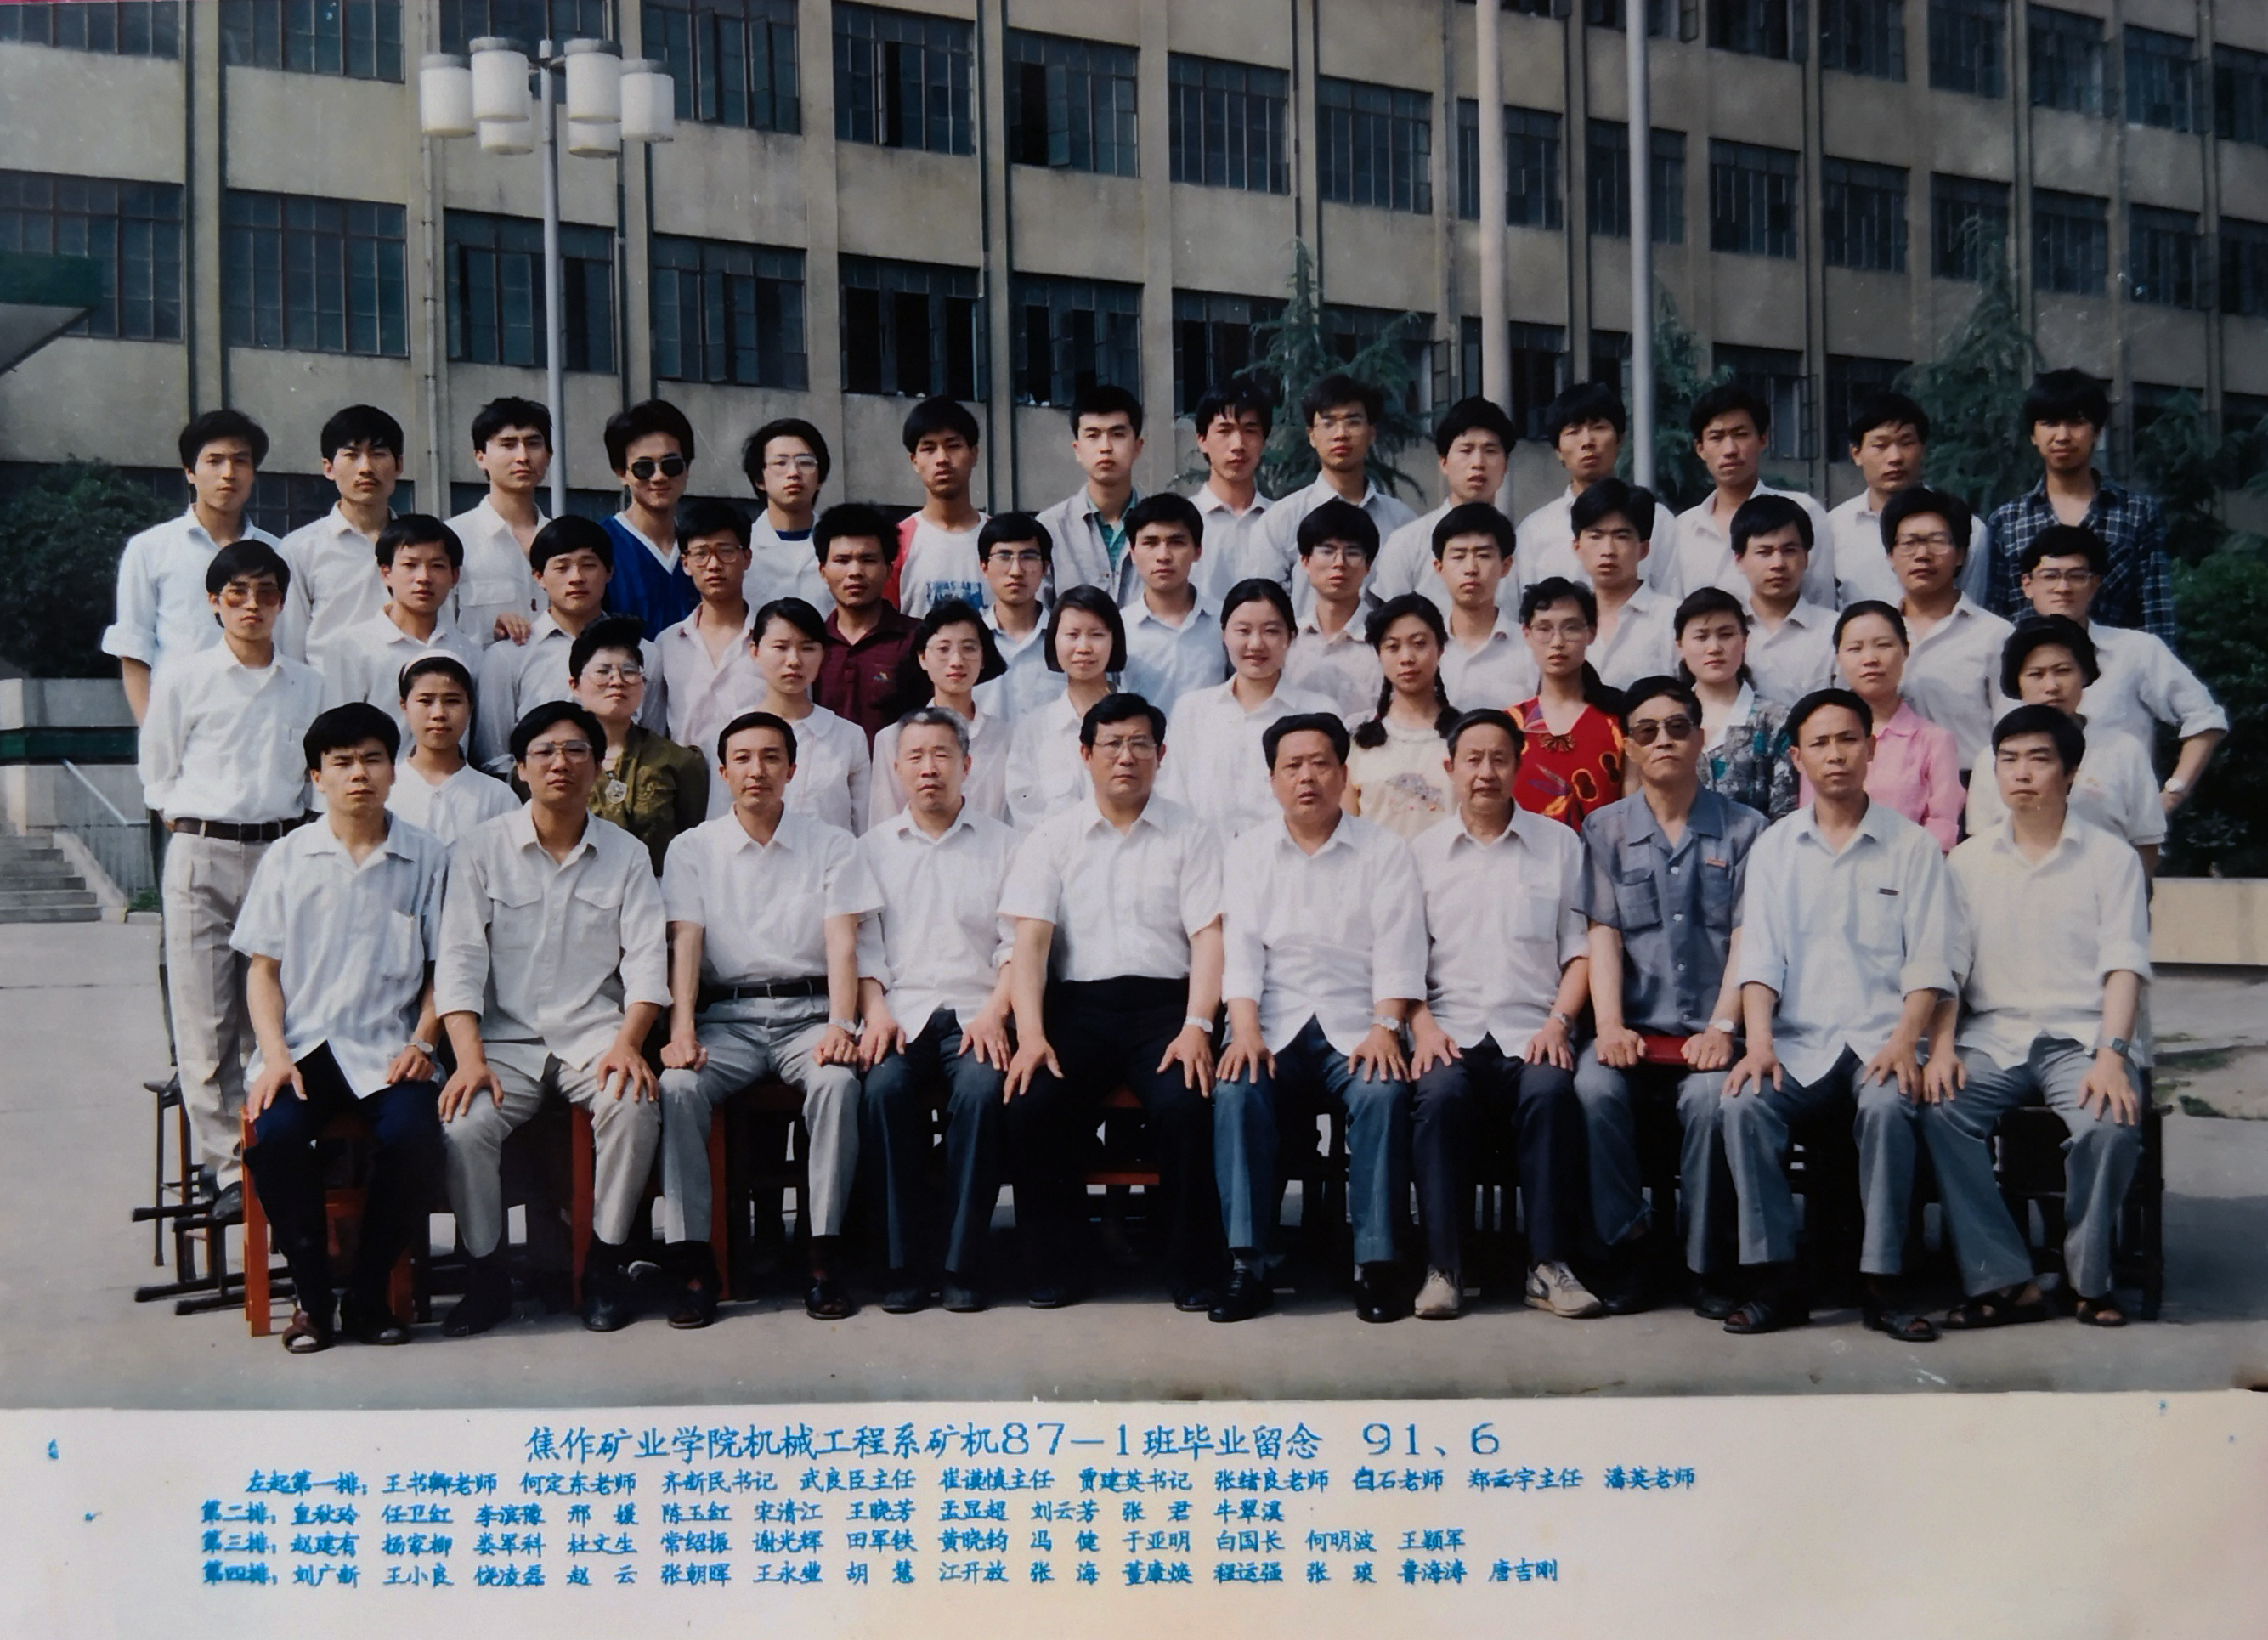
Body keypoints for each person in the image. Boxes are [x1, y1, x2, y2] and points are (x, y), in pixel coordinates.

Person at [1719, 688, 1956, 1342]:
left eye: (1847, 740)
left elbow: (1929, 961)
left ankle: (1884, 1284)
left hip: (1881, 1040)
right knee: (1743, 1104)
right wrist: (1758, 1042)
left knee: (1886, 1106)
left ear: (1870, 749)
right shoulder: (1774, 847)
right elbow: (1759, 957)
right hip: (1798, 1042)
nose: (1835, 755)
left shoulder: (1910, 847)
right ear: (1796, 759)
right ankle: (1774, 1279)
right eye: (1819, 744)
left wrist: (1905, 1041)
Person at [433, 700, 669, 1337]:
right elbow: (458, 961)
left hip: (595, 1038)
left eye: (575, 751)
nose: (559, 763)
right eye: (544, 752)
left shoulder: (626, 855)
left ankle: (605, 1265)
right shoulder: (480, 851)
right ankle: (486, 1276)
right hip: (503, 1043)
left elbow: (648, 962)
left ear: (598, 765)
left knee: (633, 1104)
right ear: (520, 768)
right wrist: (469, 1060)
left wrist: (629, 1043)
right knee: (463, 1127)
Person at [1921, 704, 2151, 1330]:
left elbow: (2124, 967)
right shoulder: (1967, 862)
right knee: (1939, 1111)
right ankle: (2003, 1278)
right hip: (1994, 1037)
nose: (2021, 773)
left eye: (2039, 759)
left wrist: (2112, 1056)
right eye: (2008, 759)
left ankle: (2088, 1280)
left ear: (2070, 772)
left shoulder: (2110, 859)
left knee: (2108, 1125)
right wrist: (1941, 1048)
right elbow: (1950, 970)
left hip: (2082, 1037)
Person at [1000, 693, 1229, 1311]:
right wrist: (1031, 1035)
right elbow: (1031, 943)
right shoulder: (1053, 837)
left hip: (1166, 1011)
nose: (1125, 757)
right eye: (1111, 745)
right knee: (1032, 1102)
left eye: (1139, 744)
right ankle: (1059, 1267)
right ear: (1085, 754)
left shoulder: (1191, 834)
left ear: (1161, 753)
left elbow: (1208, 937)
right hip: (1080, 1010)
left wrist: (1198, 1026)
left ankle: (1193, 1270)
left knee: (1186, 1104)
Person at [235, 703, 447, 1352]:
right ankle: (311, 1299)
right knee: (275, 1137)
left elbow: (445, 970)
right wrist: (275, 1055)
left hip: (390, 1048)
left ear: (393, 770)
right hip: (304, 1046)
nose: (359, 774)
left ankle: (367, 1296)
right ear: (316, 777)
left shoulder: (427, 857)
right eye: (343, 763)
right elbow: (262, 971)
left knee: (415, 1137)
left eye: (373, 760)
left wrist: (423, 1039)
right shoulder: (288, 858)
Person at [657, 710, 878, 1326]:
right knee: (677, 1086)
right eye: (744, 759)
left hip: (809, 1015)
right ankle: (693, 1263)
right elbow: (686, 942)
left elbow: (842, 941)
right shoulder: (692, 849)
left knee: (836, 1083)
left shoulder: (831, 844)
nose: (757, 771)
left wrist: (842, 1025)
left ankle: (822, 1256)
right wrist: (681, 1031)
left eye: (771, 757)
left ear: (792, 769)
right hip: (728, 1019)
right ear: (723, 771)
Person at [1214, 714, 1426, 1324]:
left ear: (1342, 772)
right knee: (1235, 1089)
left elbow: (1399, 947)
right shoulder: (1248, 852)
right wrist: (1244, 1029)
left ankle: (1375, 1263)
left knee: (1382, 1091)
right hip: (1272, 1021)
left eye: (1319, 763)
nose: (1306, 777)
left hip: (1356, 1022)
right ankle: (1248, 1263)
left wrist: (1386, 1028)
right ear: (1272, 780)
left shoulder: (1384, 850)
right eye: (1292, 766)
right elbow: (1241, 951)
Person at [139, 539, 325, 1222]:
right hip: (203, 851)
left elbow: (314, 779)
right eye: (237, 594)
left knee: (273, 1015)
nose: (252, 606)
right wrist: (191, 827)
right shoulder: (184, 677)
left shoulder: (308, 684)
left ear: (282, 602)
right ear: (214, 602)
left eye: (266, 593)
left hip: (280, 852)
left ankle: (277, 1148)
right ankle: (227, 1169)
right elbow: (158, 771)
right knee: (206, 1019)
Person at [1575, 678, 1765, 1317]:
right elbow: (1603, 932)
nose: (1663, 741)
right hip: (1632, 1026)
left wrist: (1722, 1027)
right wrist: (1608, 1025)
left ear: (1700, 738)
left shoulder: (1745, 830)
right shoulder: (1603, 829)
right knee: (1593, 1090)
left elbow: (1747, 939)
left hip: (1712, 1030)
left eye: (1678, 728)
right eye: (1647, 731)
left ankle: (1703, 1262)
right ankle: (1629, 1246)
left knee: (1712, 1102)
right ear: (1628, 746)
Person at [1406, 710, 1601, 1322]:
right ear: (1450, 768)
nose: (1485, 772)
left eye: (1498, 759)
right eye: (1472, 759)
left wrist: (1559, 1022)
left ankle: (1547, 1267)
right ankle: (1444, 1269)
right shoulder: (1420, 853)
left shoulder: (1559, 846)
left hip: (1533, 1027)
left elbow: (1580, 952)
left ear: (1519, 766)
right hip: (1449, 1028)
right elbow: (1402, 959)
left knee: (1550, 1093)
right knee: (1438, 1097)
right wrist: (1423, 1028)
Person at [856, 708, 1020, 1314]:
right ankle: (901, 1263)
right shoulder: (870, 849)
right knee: (882, 1091)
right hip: (899, 1011)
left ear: (966, 764)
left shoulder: (1006, 845)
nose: (929, 768)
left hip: (978, 1010)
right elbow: (863, 946)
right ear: (897, 769)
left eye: (942, 754)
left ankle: (960, 1263)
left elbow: (1017, 944)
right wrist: (874, 1012)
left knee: (980, 1093)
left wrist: (997, 1012)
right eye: (916, 757)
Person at [2016, 523, 2226, 812]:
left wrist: (2172, 793)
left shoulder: (2136, 650)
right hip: (2027, 824)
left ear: (2094, 585)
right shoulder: (2002, 653)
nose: (2063, 588)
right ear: (2027, 584)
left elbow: (2205, 717)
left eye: (2076, 576)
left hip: (2124, 821)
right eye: (2050, 575)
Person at [105, 408, 278, 724]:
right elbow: (134, 651)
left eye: (240, 461)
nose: (228, 473)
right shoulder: (149, 549)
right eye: (215, 461)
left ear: (253, 472)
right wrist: (153, 734)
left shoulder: (278, 552)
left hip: (262, 721)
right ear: (190, 472)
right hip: (182, 722)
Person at [1982, 369, 2175, 648]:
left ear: (2097, 431)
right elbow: (1995, 617)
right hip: (2033, 667)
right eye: (2049, 423)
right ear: (2033, 435)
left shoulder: (2137, 513)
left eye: (2076, 422)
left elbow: (2157, 615)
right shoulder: (2007, 520)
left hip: (2114, 665)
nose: (2062, 436)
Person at [1964, 617, 2165, 872]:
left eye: (2063, 671)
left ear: (2084, 675)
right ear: (2018, 682)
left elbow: (2146, 843)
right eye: (2036, 674)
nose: (2051, 686)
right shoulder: (1992, 758)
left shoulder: (2124, 751)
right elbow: (1980, 845)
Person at [472, 515, 659, 776]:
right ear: (539, 577)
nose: (576, 578)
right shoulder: (508, 656)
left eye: (588, 565)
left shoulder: (646, 654)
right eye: (562, 567)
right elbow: (493, 757)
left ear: (610, 571)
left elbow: (654, 744)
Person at [1161, 579, 1338, 839]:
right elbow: (1173, 795)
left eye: (1271, 631)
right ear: (1224, 634)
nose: (1255, 644)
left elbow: (1331, 801)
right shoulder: (1192, 711)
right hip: (1206, 858)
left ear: (1291, 636)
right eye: (1243, 631)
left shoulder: (1318, 712)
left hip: (1288, 857)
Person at [1254, 374, 1419, 610]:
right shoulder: (1281, 520)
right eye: (1328, 423)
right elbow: (1264, 607)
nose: (1341, 433)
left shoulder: (1402, 522)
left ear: (1371, 433)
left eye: (1353, 422)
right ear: (1312, 436)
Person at [1881, 486, 2015, 769]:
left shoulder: (1995, 636)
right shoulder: (1873, 633)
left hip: (1970, 782)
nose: (1922, 554)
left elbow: (2012, 731)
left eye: (1937, 541)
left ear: (1961, 555)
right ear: (1890, 556)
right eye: (1909, 542)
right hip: (1887, 784)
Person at [1663, 385, 1833, 607]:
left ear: (1762, 439)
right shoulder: (1683, 528)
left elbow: (1821, 599)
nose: (1730, 450)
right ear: (1700, 448)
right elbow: (1675, 608)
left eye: (1741, 435)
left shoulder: (1803, 510)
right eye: (1716, 437)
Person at [569, 615, 710, 875]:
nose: (617, 681)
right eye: (603, 671)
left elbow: (692, 847)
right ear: (575, 685)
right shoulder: (555, 760)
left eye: (629, 671)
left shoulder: (678, 761)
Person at [319, 515, 480, 737]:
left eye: (437, 566)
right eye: (410, 565)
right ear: (386, 573)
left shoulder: (468, 652)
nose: (423, 577)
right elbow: (339, 734)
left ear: (454, 576)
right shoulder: (351, 648)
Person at [1824, 602, 1965, 851]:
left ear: (1906, 650)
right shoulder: (1821, 738)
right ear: (1838, 658)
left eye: (1883, 645)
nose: (1870, 659)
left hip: (1909, 866)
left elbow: (1943, 826)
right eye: (1855, 648)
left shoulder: (1934, 740)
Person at [276, 404, 404, 667]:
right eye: (351, 455)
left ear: (399, 465)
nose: (366, 467)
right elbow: (289, 648)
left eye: (378, 454)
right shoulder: (299, 549)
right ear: (328, 468)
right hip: (331, 690)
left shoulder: (422, 547)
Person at [1514, 382, 1671, 595]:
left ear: (1620, 439)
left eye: (1599, 428)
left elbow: (1673, 602)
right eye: (1573, 431)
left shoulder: (1659, 521)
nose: (1587, 442)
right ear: (1558, 449)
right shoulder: (1534, 531)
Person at [654, 497, 765, 800]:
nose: (714, 565)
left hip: (757, 790)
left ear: (747, 557)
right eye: (701, 554)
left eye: (726, 551)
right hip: (683, 796)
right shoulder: (667, 643)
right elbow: (654, 731)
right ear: (686, 564)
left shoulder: (773, 640)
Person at [869, 599, 1010, 825]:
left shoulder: (1006, 738)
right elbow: (884, 824)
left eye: (968, 648)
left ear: (984, 658)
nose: (956, 661)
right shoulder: (891, 739)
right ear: (923, 658)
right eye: (943, 649)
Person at [1372, 397, 1518, 610]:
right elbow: (1388, 621)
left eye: (1490, 450)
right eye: (1466, 450)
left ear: (1505, 465)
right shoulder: (1408, 543)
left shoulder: (1521, 547)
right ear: (1444, 463)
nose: (1478, 463)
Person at [748, 597, 874, 835]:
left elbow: (865, 829)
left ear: (823, 654)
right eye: (780, 647)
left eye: (807, 648)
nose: (794, 661)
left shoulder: (848, 737)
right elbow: (720, 824)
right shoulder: (733, 732)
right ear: (754, 651)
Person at [1003, 587, 1124, 830]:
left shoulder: (1137, 723)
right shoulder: (1033, 730)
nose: (1084, 647)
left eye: (1096, 635)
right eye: (1072, 635)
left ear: (1115, 640)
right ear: (1054, 641)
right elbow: (1025, 812)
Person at [1512, 578, 1628, 828]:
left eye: (1571, 628)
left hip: (1602, 852)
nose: (1557, 642)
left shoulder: (1620, 722)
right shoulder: (1508, 726)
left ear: (1591, 633)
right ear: (1526, 634)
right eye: (1544, 629)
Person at [1677, 588, 1797, 821]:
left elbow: (1786, 815)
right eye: (1701, 637)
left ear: (1744, 640)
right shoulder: (1666, 720)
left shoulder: (1776, 721)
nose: (1714, 648)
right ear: (1680, 645)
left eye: (1725, 635)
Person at [1344, 595, 1459, 839]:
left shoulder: (1466, 737)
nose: (1407, 658)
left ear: (1440, 649)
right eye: (1393, 647)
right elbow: (1347, 828)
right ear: (1379, 654)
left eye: (1419, 644)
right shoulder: (1357, 743)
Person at [811, 502, 920, 743]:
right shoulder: (810, 644)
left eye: (868, 560)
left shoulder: (918, 640)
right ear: (823, 571)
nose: (855, 572)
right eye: (842, 560)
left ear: (889, 571)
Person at [444, 396, 547, 647]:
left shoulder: (565, 540)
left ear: (549, 455)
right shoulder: (453, 538)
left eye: (533, 443)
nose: (523, 456)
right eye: (508, 444)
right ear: (480, 457)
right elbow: (439, 632)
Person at [387, 654, 517, 845]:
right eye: (425, 701)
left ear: (470, 707)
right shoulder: (385, 790)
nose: (438, 714)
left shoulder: (498, 797)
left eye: (452, 701)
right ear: (404, 706)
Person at [1036, 383, 1147, 603]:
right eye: (1093, 435)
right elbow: (1038, 613)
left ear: (1137, 446)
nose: (1105, 447)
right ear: (1077, 449)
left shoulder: (1163, 527)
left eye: (1117, 434)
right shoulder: (1049, 528)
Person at [1118, 492, 1227, 715]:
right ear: (1133, 553)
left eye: (1176, 543)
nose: (1163, 556)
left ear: (1198, 551)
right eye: (1150, 543)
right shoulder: (1118, 627)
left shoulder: (1225, 621)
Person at [599, 398, 698, 639]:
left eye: (671, 465)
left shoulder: (702, 547)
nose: (659, 477)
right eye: (644, 467)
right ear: (622, 473)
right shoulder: (599, 545)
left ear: (687, 467)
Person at [1823, 391, 1929, 608]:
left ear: (1923, 449)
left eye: (1906, 442)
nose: (1895, 457)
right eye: (1880, 445)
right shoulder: (1833, 528)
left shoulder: (1964, 528)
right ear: (1856, 454)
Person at [1428, 502, 1537, 710]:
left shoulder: (1532, 648)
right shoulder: (1423, 648)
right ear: (1439, 567)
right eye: (1458, 556)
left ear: (1505, 566)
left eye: (1484, 555)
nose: (1471, 568)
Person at [1730, 494, 1836, 705]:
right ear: (1739, 560)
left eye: (1789, 551)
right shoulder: (1724, 631)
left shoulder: (1834, 631)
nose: (1778, 564)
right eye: (1764, 552)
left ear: (1806, 557)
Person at [1283, 499, 1385, 721]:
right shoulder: (1287, 641)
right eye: (1327, 551)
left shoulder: (1386, 641)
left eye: (1352, 552)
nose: (1339, 563)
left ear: (1368, 565)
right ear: (1305, 561)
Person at [1571, 479, 1676, 690]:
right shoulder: (1565, 622)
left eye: (1621, 536)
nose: (1608, 550)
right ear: (1577, 547)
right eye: (1596, 536)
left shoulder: (1671, 618)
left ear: (1643, 549)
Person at [891, 397, 989, 616]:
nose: (942, 459)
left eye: (953, 446)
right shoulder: (896, 542)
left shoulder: (998, 540)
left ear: (974, 454)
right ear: (914, 461)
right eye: (929, 448)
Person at [1188, 376, 1277, 603]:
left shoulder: (1281, 521)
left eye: (1250, 430)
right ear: (1202, 440)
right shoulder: (1183, 524)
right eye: (1225, 430)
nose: (1238, 445)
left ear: (1264, 441)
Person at [739, 416, 833, 610]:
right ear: (759, 479)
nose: (794, 473)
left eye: (805, 462)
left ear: (821, 477)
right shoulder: (741, 550)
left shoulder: (840, 549)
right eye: (780, 463)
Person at [973, 513, 1056, 721]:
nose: (1016, 571)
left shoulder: (1065, 641)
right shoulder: (970, 642)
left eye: (1028, 557)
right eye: (1004, 556)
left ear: (1045, 568)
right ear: (984, 566)